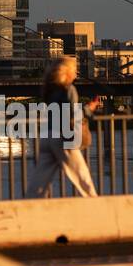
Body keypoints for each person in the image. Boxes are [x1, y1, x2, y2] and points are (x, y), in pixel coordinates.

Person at [24, 55, 101, 199]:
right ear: (66, 71)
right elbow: (73, 113)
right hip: (63, 137)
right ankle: (95, 206)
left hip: (48, 137)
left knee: (39, 181)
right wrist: (89, 109)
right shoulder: (69, 89)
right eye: (74, 69)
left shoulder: (50, 89)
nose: (76, 73)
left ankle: (28, 204)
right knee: (82, 176)